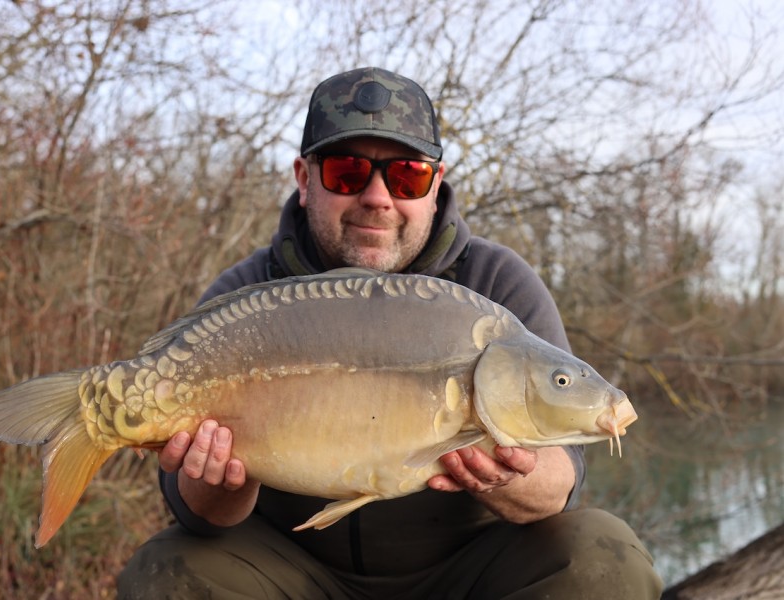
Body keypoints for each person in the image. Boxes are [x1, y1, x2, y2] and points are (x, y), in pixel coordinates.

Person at [117, 67, 663, 599]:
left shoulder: (496, 284)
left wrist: (511, 475)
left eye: (406, 176)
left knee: (600, 555)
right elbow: (197, 514)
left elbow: (560, 485)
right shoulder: (248, 296)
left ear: (435, 186)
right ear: (305, 180)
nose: (378, 197)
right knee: (169, 570)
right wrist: (220, 479)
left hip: (461, 574)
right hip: (292, 566)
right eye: (347, 172)